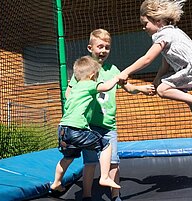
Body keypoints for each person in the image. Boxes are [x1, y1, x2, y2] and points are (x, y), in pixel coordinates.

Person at [66, 29, 155, 201]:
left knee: (114, 161)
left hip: (108, 125)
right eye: (100, 46)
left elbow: (127, 87)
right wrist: (74, 105)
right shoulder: (84, 70)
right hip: (89, 126)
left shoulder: (113, 69)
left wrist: (141, 89)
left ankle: (115, 195)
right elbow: (69, 92)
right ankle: (86, 195)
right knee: (90, 162)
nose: (103, 50)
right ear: (90, 48)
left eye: (107, 47)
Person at [119, 0, 192, 122]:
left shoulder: (162, 35)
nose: (143, 27)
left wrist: (126, 72)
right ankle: (191, 102)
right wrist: (157, 79)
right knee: (165, 86)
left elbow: (147, 59)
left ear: (158, 21)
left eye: (146, 23)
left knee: (162, 90)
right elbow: (165, 63)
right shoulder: (173, 31)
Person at [50, 55, 121, 195]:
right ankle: (105, 177)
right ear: (93, 74)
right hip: (77, 129)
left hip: (63, 129)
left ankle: (56, 182)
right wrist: (117, 78)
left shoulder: (74, 88)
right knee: (106, 145)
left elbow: (70, 99)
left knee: (68, 157)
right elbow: (105, 87)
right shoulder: (89, 84)